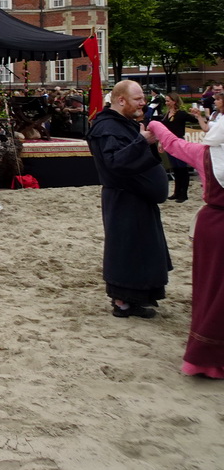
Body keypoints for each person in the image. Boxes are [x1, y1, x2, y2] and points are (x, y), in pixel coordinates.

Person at [148, 117, 224, 377]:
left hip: (213, 226)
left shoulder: (203, 154)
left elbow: (172, 143)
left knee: (210, 289)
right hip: (214, 225)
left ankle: (206, 357)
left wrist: (155, 126)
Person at [87, 80, 170, 319]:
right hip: (123, 199)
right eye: (138, 99)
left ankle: (138, 299)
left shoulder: (123, 124)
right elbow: (115, 162)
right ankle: (122, 302)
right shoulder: (106, 127)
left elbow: (136, 154)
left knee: (142, 249)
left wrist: (152, 149)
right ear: (121, 100)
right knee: (126, 249)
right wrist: (142, 142)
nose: (143, 103)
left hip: (139, 198)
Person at [160, 92, 201, 203]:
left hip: (178, 142)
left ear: (174, 101)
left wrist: (197, 114)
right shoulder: (166, 113)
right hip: (169, 143)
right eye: (166, 100)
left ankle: (184, 194)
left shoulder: (181, 114)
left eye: (168, 101)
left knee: (182, 168)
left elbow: (194, 120)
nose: (166, 103)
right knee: (175, 168)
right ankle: (177, 192)